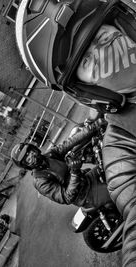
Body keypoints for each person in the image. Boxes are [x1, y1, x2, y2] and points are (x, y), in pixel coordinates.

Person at [76, 24, 136, 267]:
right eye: (88, 60)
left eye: (102, 36)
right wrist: (72, 170)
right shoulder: (121, 143)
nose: (101, 51)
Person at [11, 117, 110, 209]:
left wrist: (95, 125)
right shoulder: (40, 181)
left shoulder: (50, 155)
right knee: (118, 189)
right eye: (27, 158)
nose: (31, 155)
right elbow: (66, 198)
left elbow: (71, 141)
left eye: (30, 151)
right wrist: (74, 172)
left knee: (111, 165)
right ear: (26, 165)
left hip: (88, 178)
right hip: (86, 196)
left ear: (34, 148)